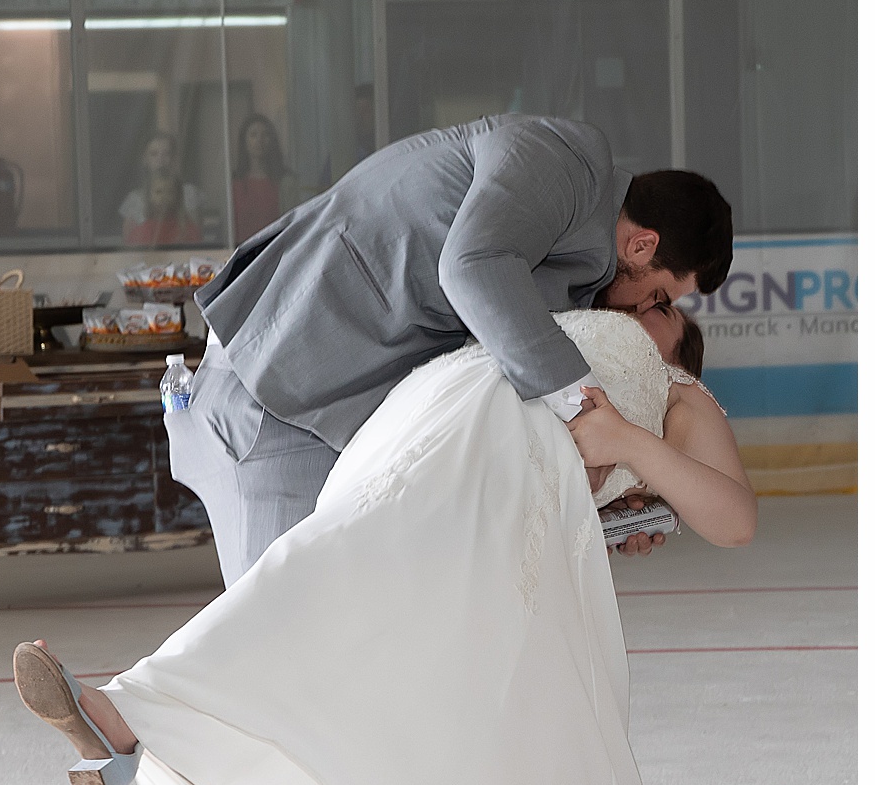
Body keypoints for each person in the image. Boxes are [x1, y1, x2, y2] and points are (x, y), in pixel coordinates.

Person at [9, 291, 754, 785]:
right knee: (338, 599)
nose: (644, 305)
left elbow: (735, 518)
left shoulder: (676, 391)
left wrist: (630, 440)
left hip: (481, 439)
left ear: (681, 348)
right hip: (441, 413)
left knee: (369, 649)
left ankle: (139, 716)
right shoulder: (574, 315)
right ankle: (140, 713)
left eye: (666, 307)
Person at [170, 117, 734, 586]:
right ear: (643, 244)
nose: (641, 311)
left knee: (331, 650)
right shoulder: (564, 161)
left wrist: (594, 505)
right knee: (277, 644)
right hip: (277, 387)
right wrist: (586, 411)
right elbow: (472, 267)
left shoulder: (575, 275)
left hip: (320, 411)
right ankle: (120, 714)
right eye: (657, 294)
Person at [120, 132, 203, 247]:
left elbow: (197, 238)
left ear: (174, 158)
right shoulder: (134, 199)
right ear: (145, 158)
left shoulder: (189, 193)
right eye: (154, 154)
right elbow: (128, 245)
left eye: (166, 153)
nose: (160, 159)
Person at [230, 113, 286, 242]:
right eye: (253, 135)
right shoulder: (234, 183)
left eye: (265, 134)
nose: (259, 140)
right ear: (244, 141)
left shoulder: (284, 182)